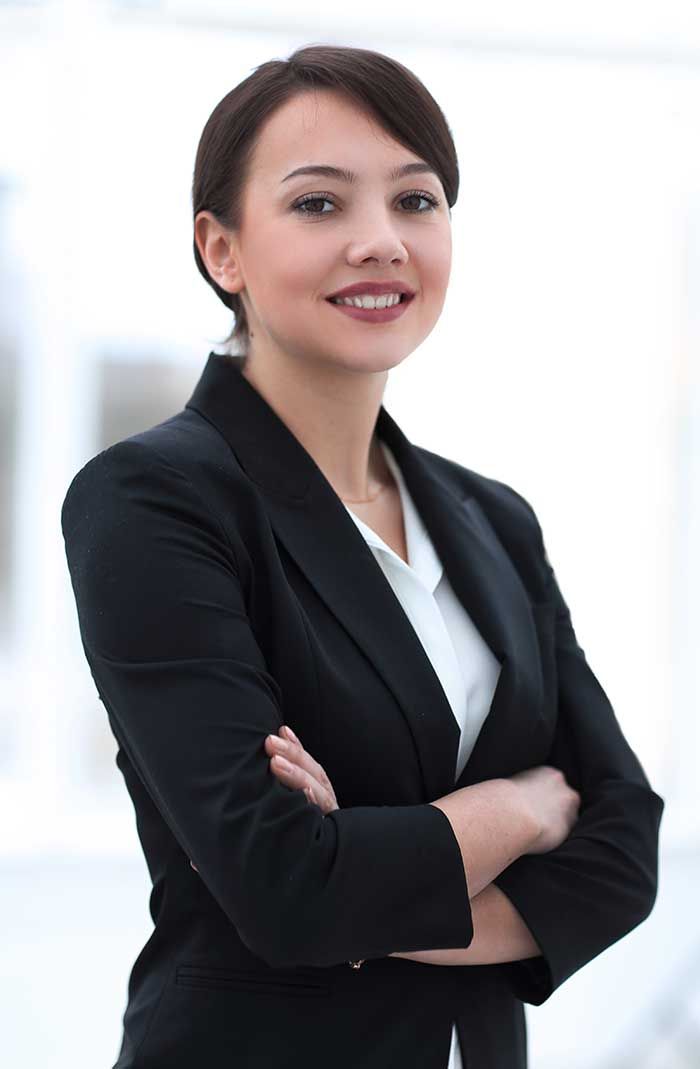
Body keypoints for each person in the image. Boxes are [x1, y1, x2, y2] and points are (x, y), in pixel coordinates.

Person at [61, 43, 665, 1069]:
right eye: (318, 205)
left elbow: (620, 851)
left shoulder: (491, 517)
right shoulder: (153, 500)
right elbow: (287, 886)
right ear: (222, 249)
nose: (381, 242)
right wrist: (512, 808)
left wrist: (368, 886)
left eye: (417, 202)